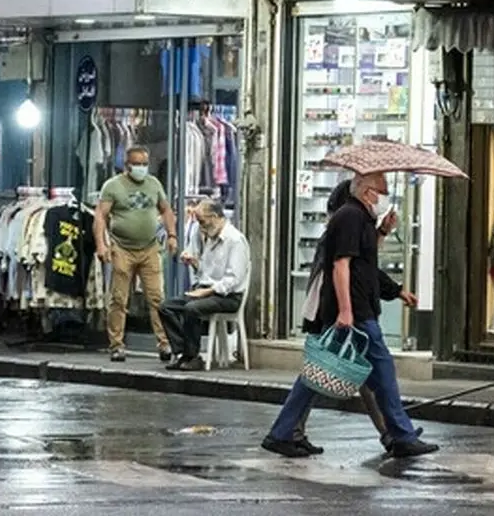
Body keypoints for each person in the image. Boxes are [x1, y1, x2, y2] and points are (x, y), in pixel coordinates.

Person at [262, 172, 437, 459]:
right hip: (355, 312)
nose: (385, 195)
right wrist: (345, 310)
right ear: (368, 192)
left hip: (357, 308)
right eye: (382, 189)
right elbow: (341, 266)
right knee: (382, 370)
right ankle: (401, 435)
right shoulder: (350, 217)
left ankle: (281, 432)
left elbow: (365, 266)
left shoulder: (362, 219)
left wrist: (383, 234)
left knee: (318, 373)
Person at [94, 146, 179, 363]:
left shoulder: (154, 184)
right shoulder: (112, 186)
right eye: (137, 164)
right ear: (127, 165)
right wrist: (102, 245)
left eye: (144, 163)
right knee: (119, 298)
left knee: (157, 298)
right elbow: (101, 216)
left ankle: (164, 343)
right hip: (122, 247)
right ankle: (117, 344)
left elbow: (166, 209)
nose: (141, 167)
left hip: (150, 247)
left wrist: (172, 235)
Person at [161, 199, 250, 372]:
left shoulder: (235, 240)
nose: (200, 227)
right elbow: (206, 272)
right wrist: (195, 263)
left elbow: (233, 280)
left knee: (192, 309)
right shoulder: (210, 237)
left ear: (215, 217)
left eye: (202, 221)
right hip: (207, 290)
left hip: (228, 296)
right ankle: (183, 352)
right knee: (166, 307)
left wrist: (207, 291)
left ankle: (193, 357)